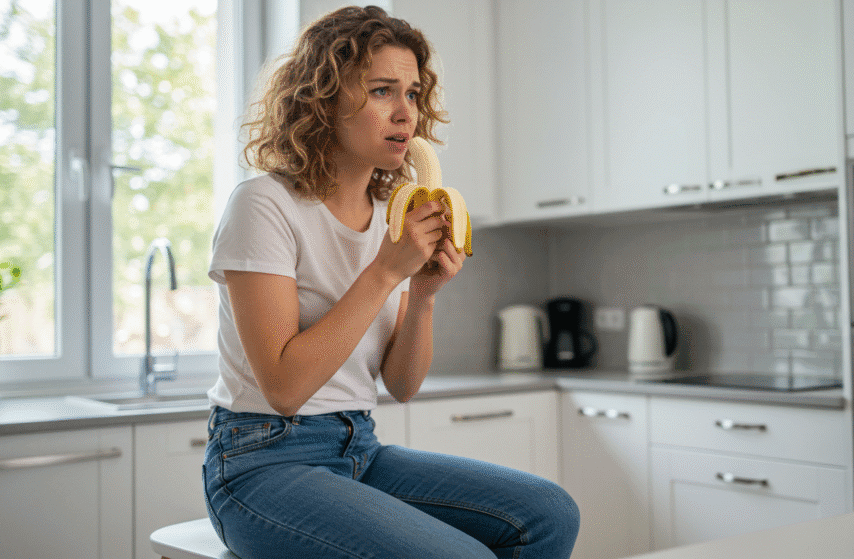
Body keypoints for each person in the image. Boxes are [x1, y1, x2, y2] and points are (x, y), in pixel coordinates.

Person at [202, 6, 579, 559]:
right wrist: (385, 271)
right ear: (322, 99)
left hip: (360, 449)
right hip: (260, 463)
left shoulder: (390, 211)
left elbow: (402, 385)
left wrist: (422, 294)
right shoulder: (264, 205)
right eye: (382, 91)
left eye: (413, 93)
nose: (406, 114)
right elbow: (283, 388)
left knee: (548, 513)